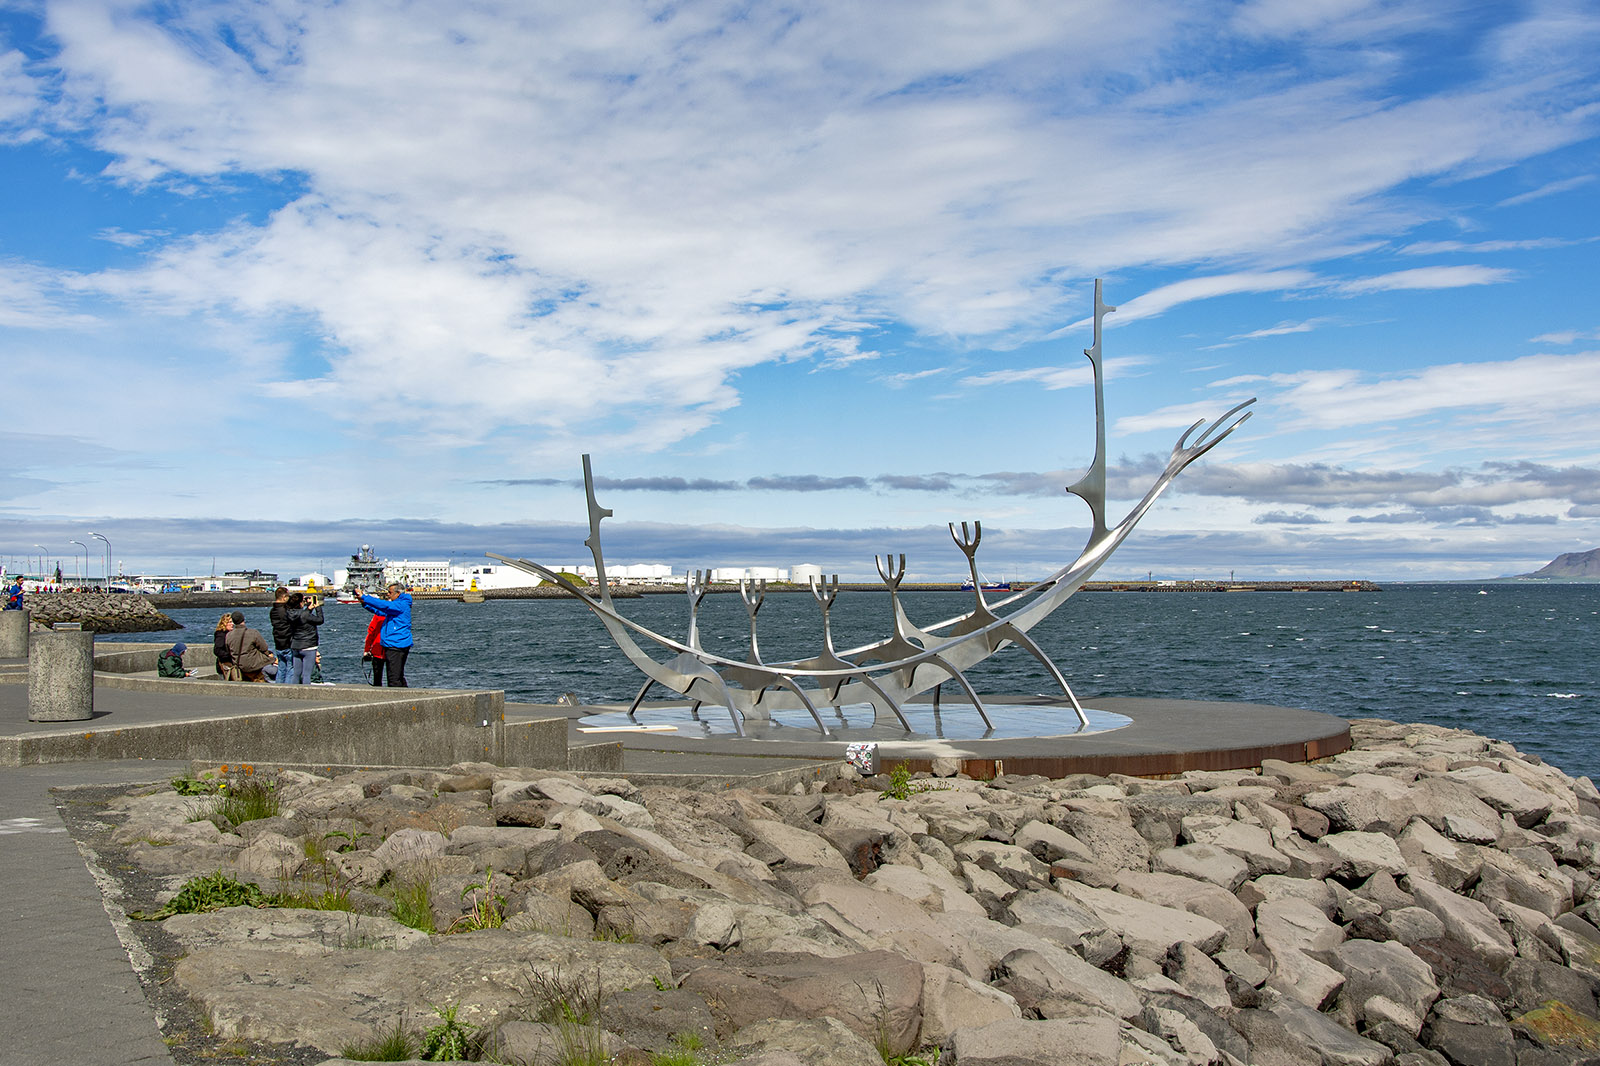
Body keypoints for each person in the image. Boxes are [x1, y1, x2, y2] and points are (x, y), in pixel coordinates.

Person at [357, 583, 413, 687]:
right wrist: (364, 603)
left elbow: (385, 605)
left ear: (398, 593)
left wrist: (365, 597)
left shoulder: (400, 605)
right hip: (396, 643)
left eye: (390, 592)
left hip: (396, 644)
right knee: (398, 674)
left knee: (394, 677)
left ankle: (396, 699)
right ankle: (404, 696)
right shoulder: (397, 606)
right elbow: (380, 611)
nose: (388, 595)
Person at [224, 610, 278, 682]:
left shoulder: (229, 635)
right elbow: (264, 648)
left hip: (239, 664)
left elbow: (228, 651)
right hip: (254, 665)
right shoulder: (253, 633)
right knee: (276, 663)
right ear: (243, 619)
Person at [284, 591, 325, 684]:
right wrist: (318, 607)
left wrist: (309, 609)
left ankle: (294, 692)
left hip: (295, 645)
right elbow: (320, 620)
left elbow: (301, 617)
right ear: (300, 603)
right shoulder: (305, 614)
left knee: (296, 673)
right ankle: (306, 692)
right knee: (307, 674)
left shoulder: (289, 613)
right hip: (308, 645)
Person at [268, 587, 293, 684]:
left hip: (278, 642)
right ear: (283, 597)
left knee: (281, 668)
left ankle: (278, 686)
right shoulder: (285, 611)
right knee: (290, 668)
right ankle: (287, 688)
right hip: (287, 642)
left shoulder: (273, 611)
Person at [362, 611, 386, 686]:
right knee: (395, 675)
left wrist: (366, 650)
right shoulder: (394, 614)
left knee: (377, 677)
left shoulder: (377, 616)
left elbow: (371, 633)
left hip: (377, 648)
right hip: (390, 649)